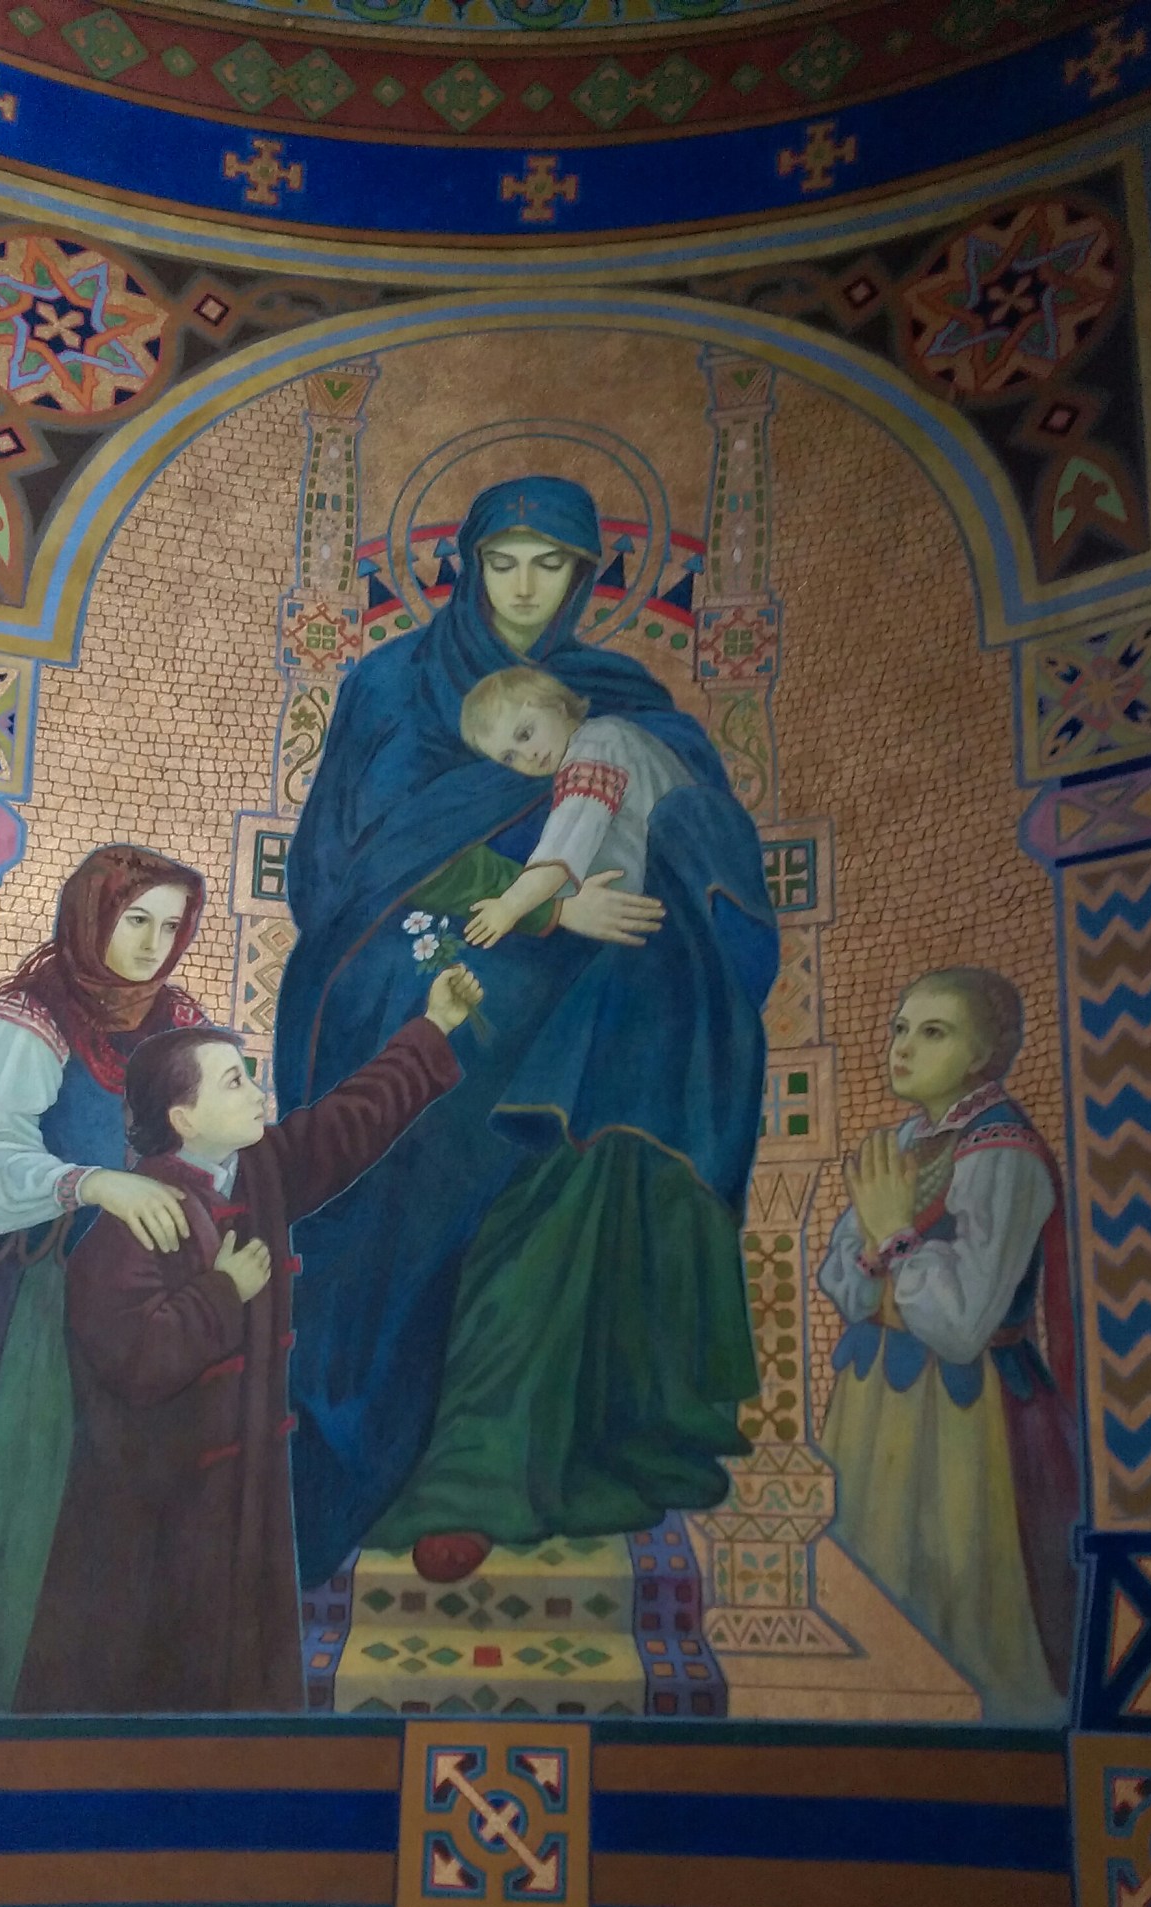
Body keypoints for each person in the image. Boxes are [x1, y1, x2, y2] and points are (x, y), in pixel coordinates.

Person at [275, 474, 778, 1589]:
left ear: (585, 577)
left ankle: (500, 1455)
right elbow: (352, 868)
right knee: (430, 1100)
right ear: (466, 566)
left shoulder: (618, 698)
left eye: (550, 565)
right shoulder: (393, 684)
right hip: (413, 962)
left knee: (625, 1067)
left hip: (578, 979)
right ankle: (378, 1445)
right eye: (502, 561)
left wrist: (604, 902)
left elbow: (691, 827)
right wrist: (547, 906)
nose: (522, 586)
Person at [13, 966, 481, 1715]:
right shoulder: (134, 1224)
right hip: (157, 1520)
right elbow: (138, 1363)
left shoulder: (255, 1172)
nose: (258, 1093)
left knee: (238, 1681)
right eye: (234, 1082)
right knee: (152, 1690)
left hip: (243, 1500)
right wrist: (222, 1292)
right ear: (184, 1116)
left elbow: (348, 1122)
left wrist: (435, 1027)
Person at [0, 846, 207, 1713]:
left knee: (139, 1503)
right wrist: (91, 1184)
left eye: (170, 926)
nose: (153, 944)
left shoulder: (181, 1021)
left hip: (154, 1303)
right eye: (136, 920)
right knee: (37, 1492)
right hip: (44, 1302)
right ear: (93, 916)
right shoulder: (33, 1016)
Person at [817, 967, 1080, 1722]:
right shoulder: (905, 1142)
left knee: (956, 1603)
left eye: (934, 1033)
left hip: (966, 1422)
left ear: (982, 1055)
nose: (902, 1047)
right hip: (878, 1399)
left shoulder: (1004, 1156)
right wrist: (878, 1248)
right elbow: (842, 1280)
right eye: (900, 1028)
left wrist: (894, 1238)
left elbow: (963, 1327)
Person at [456, 664, 689, 950]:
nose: (528, 755)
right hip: (656, 899)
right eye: (509, 757)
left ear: (556, 705)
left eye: (525, 734)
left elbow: (564, 845)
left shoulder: (596, 747)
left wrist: (509, 906)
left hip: (652, 908)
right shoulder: (608, 734)